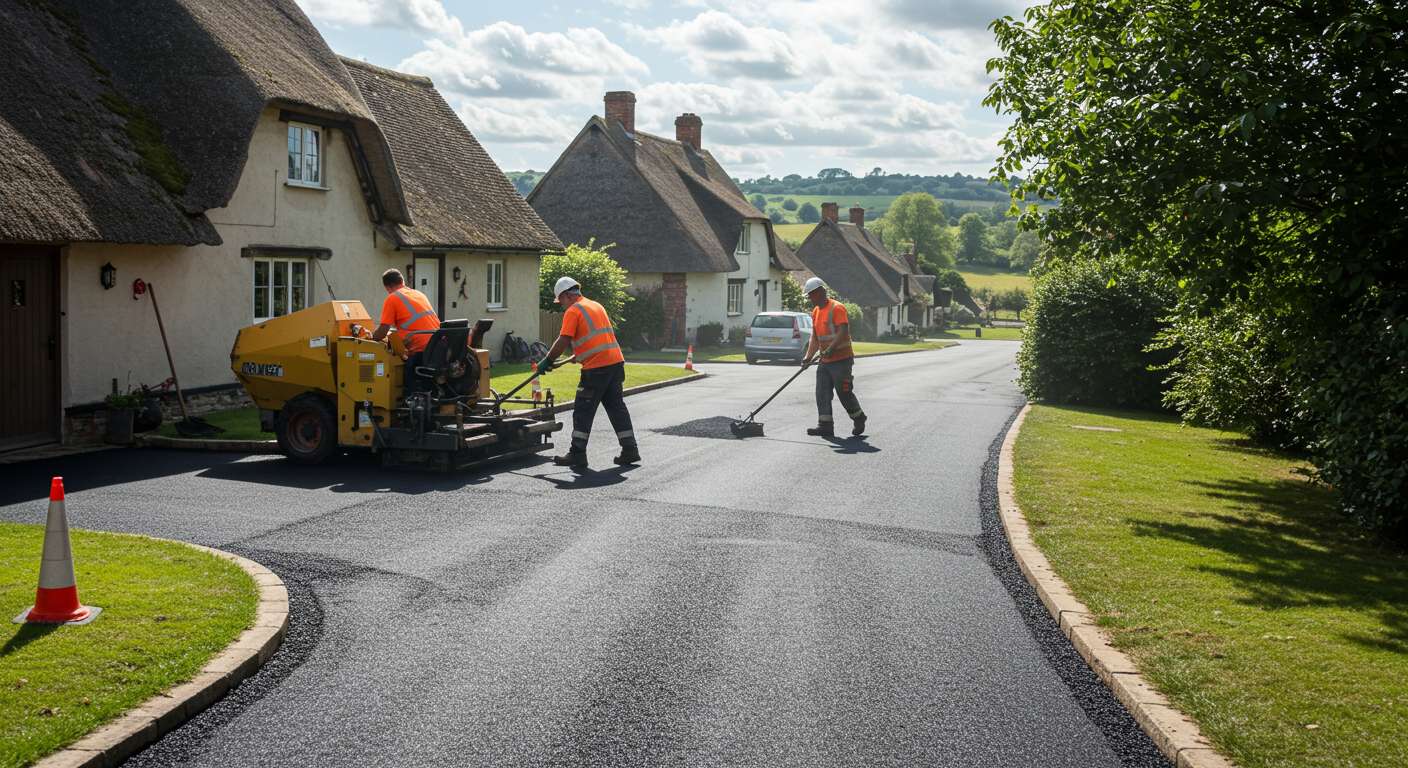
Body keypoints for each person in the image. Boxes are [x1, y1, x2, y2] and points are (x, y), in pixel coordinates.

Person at [537, 276, 639, 469]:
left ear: (567, 295)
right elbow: (597, 337)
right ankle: (630, 450)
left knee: (583, 410)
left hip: (597, 368)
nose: (562, 306)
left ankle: (577, 454)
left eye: (561, 301)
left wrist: (547, 361)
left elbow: (564, 339)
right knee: (617, 408)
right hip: (615, 363)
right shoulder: (595, 305)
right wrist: (581, 353)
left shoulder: (574, 310)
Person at [802, 277, 866, 437]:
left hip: (842, 360)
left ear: (821, 292)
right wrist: (808, 357)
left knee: (843, 392)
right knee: (821, 392)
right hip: (825, 361)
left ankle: (858, 417)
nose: (810, 298)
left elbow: (843, 331)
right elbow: (815, 338)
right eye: (809, 296)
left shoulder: (837, 308)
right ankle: (825, 425)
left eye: (811, 295)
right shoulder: (816, 312)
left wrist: (831, 348)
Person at [371, 268, 440, 396]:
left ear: (388, 287)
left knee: (406, 381)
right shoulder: (419, 294)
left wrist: (370, 338)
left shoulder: (392, 298)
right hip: (436, 346)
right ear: (402, 281)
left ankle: (408, 403)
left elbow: (383, 331)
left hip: (419, 350)